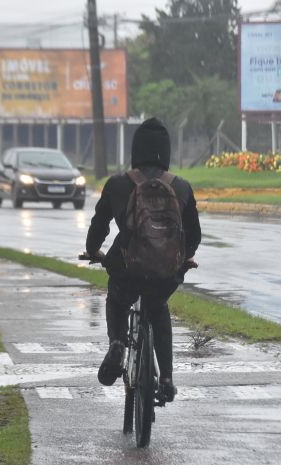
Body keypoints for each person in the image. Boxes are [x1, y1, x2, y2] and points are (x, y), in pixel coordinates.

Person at [85, 118, 201, 402]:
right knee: (158, 309)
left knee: (116, 300)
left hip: (126, 271)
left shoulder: (117, 184)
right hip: (164, 276)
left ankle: (117, 343)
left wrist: (93, 251)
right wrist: (182, 259)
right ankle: (167, 379)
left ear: (135, 150)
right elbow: (194, 235)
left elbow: (99, 226)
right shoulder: (182, 187)